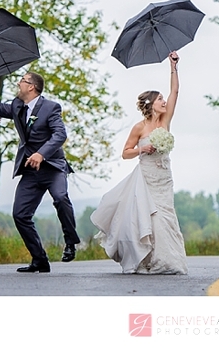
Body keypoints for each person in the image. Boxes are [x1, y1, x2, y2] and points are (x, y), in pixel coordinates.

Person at [0, 61, 80, 273]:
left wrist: (41, 154)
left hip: (52, 167)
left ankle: (70, 242)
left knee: (61, 198)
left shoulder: (51, 107)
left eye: (22, 81)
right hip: (31, 172)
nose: (18, 83)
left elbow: (60, 135)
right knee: (20, 214)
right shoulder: (17, 106)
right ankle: (39, 259)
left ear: (31, 86)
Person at [91, 52, 187, 274]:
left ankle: (167, 261)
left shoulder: (166, 120)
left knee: (166, 218)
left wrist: (173, 67)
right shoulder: (139, 128)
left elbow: (176, 91)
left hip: (164, 178)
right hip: (146, 178)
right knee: (148, 218)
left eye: (163, 99)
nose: (164, 101)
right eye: (160, 99)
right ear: (152, 104)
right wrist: (142, 149)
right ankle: (147, 260)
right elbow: (125, 153)